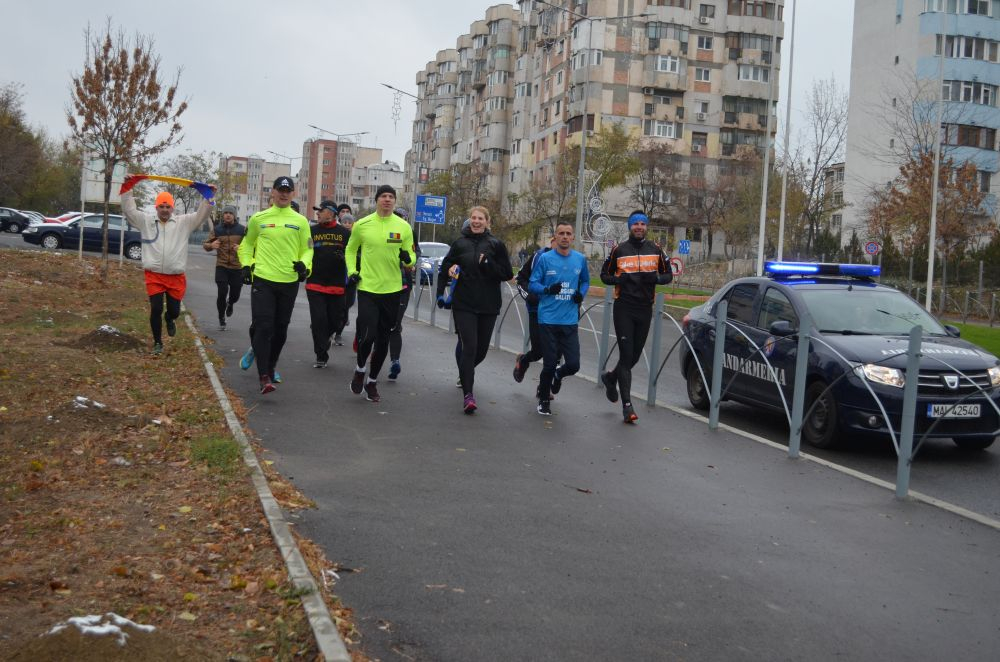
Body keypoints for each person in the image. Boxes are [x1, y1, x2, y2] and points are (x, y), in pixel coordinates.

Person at [237, 176, 313, 394]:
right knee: (263, 326)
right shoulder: (258, 219)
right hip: (263, 279)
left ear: (293, 194)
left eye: (288, 191)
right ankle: (263, 376)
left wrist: (304, 265)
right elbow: (247, 244)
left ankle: (270, 366)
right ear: (272, 192)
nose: (284, 193)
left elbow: (308, 248)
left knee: (280, 330)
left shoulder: (300, 221)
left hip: (288, 282)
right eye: (280, 189)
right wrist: (246, 265)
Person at [436, 206, 513, 413]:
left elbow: (507, 273)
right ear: (469, 220)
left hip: (488, 305)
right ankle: (468, 396)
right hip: (464, 304)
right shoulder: (460, 244)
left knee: (481, 351)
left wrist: (488, 264)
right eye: (473, 218)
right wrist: (440, 292)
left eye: (480, 218)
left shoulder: (496, 245)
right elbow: (446, 267)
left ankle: (464, 371)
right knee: (469, 347)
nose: (476, 221)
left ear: (487, 222)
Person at [599, 211, 673, 423]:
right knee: (626, 354)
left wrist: (657, 278)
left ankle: (610, 377)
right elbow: (604, 275)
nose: (639, 227)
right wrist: (618, 281)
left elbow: (669, 275)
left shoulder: (656, 250)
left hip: (644, 308)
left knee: (634, 357)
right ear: (630, 227)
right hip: (624, 308)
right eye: (635, 224)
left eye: (642, 224)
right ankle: (627, 406)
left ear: (646, 227)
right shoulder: (619, 250)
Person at [344, 185, 415, 403]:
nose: (387, 200)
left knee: (383, 339)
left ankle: (372, 381)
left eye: (391, 197)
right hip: (368, 288)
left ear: (394, 201)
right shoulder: (363, 225)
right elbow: (350, 249)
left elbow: (412, 259)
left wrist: (407, 258)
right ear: (376, 200)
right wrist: (353, 271)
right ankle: (359, 369)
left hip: (392, 290)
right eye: (383, 196)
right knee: (368, 336)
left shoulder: (403, 227)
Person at [121, 185, 213, 354]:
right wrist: (127, 189)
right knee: (156, 308)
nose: (164, 210)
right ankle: (158, 343)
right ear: (156, 207)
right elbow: (130, 211)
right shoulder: (146, 222)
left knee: (174, 311)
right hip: (154, 275)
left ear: (173, 208)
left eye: (167, 207)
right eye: (161, 207)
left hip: (175, 276)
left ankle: (169, 319)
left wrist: (209, 195)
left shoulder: (183, 223)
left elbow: (202, 215)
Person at [528, 221, 589, 416]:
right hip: (547, 319)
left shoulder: (580, 259)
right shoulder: (545, 258)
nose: (564, 236)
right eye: (561, 233)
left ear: (572, 237)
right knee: (549, 362)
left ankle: (559, 374)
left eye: (568, 233)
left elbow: (586, 281)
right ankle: (544, 399)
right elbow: (532, 283)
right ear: (555, 236)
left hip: (569, 321)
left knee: (573, 364)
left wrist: (581, 293)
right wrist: (546, 289)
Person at [306, 200, 351, 368]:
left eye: (321, 211)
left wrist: (345, 258)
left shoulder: (344, 233)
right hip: (315, 284)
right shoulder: (311, 232)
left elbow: (354, 255)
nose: (317, 213)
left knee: (337, 321)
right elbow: (306, 251)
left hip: (337, 285)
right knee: (318, 321)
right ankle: (320, 354)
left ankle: (325, 337)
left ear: (331, 212)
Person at [513, 235, 556, 387]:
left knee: (556, 353)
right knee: (538, 352)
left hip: (558, 314)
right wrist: (531, 297)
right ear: (552, 240)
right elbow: (520, 279)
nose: (563, 240)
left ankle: (543, 389)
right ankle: (523, 361)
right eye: (559, 236)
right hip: (536, 311)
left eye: (568, 235)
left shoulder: (572, 260)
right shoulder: (538, 257)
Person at [387, 207, 420, 380]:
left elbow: (416, 252)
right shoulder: (381, 230)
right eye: (397, 217)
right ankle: (373, 354)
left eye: (403, 218)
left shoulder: (409, 232)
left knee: (395, 324)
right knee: (379, 325)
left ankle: (395, 361)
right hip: (380, 284)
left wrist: (410, 260)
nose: (400, 220)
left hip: (403, 284)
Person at [203, 204, 246, 330]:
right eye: (226, 213)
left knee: (235, 294)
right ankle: (221, 318)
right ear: (223, 215)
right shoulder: (217, 230)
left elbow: (250, 246)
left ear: (234, 216)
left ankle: (231, 303)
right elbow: (206, 244)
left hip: (237, 267)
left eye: (230, 213)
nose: (227, 215)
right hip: (221, 266)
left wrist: (241, 248)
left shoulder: (242, 230)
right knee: (222, 292)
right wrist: (211, 246)